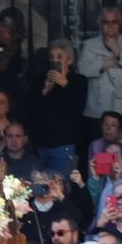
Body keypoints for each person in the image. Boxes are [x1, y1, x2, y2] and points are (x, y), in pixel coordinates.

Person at [26, 40, 87, 175]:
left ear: (69, 60)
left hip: (66, 146)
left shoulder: (79, 81)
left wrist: (65, 84)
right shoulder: (40, 79)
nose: (55, 60)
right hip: (40, 145)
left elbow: (78, 107)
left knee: (64, 183)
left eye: (59, 57)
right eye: (52, 57)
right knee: (37, 182)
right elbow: (30, 108)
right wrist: (44, 91)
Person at [77, 6, 122, 131]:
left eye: (114, 22)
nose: (110, 26)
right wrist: (106, 64)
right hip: (99, 106)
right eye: (106, 22)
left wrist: (116, 49)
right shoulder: (89, 44)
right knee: (99, 142)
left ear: (120, 24)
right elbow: (83, 70)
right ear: (100, 24)